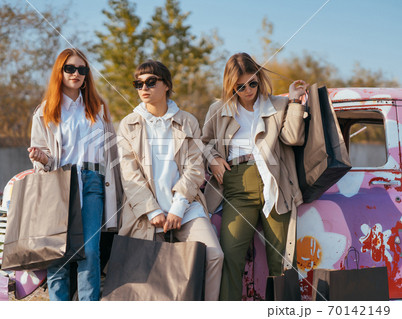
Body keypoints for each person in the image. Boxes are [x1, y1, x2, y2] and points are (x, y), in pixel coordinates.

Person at [201, 52, 308, 300]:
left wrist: (294, 103)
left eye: (252, 83)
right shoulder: (219, 109)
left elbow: (293, 138)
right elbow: (202, 142)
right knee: (231, 257)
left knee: (280, 262)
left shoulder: (278, 106)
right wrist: (213, 159)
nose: (248, 90)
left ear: (259, 80)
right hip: (236, 185)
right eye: (240, 87)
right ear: (230, 86)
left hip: (274, 183)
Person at [117, 60, 224, 301]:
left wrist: (177, 208)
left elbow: (195, 168)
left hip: (185, 207)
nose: (144, 87)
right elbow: (129, 174)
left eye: (151, 82)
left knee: (214, 255)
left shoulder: (187, 121)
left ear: (167, 86)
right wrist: (153, 211)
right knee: (151, 273)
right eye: (138, 83)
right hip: (145, 214)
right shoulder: (128, 124)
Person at [28, 48, 122, 301]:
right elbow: (45, 156)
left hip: (92, 182)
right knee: (56, 252)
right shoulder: (45, 111)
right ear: (60, 71)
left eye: (82, 69)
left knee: (90, 251)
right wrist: (41, 158)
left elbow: (111, 151)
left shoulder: (98, 107)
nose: (77, 73)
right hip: (59, 184)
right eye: (70, 68)